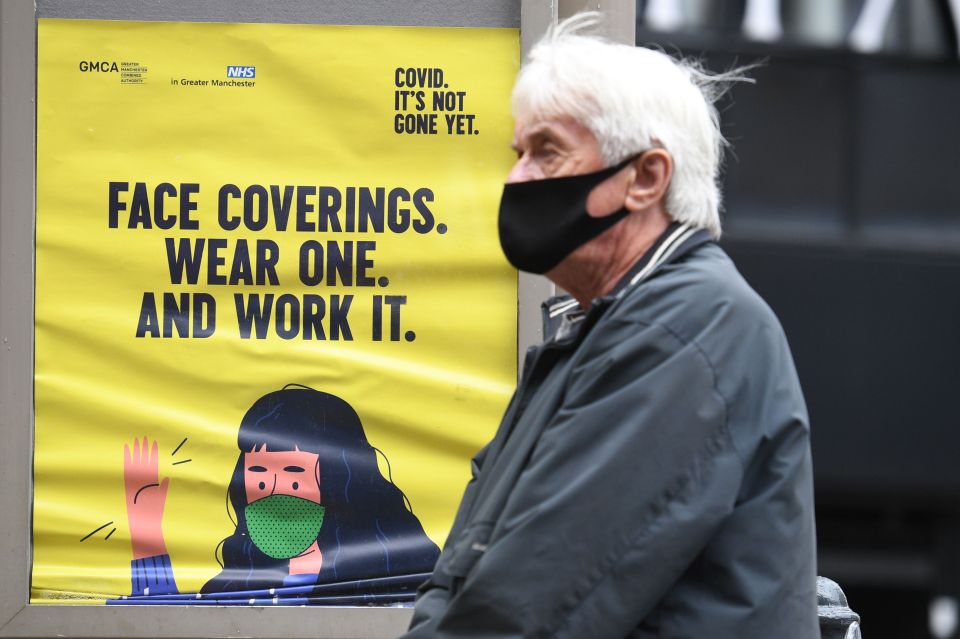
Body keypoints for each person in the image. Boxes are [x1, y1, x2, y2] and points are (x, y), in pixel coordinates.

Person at [403, 13, 818, 638]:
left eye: (547, 151)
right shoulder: (606, 331)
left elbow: (535, 603)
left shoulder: (686, 332)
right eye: (518, 154)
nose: (516, 178)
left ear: (647, 178)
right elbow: (463, 579)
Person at [117, 385, 440, 605]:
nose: (272, 489)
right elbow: (170, 626)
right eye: (258, 473)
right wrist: (146, 532)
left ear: (339, 480)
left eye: (293, 472)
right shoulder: (241, 579)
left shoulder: (401, 568)